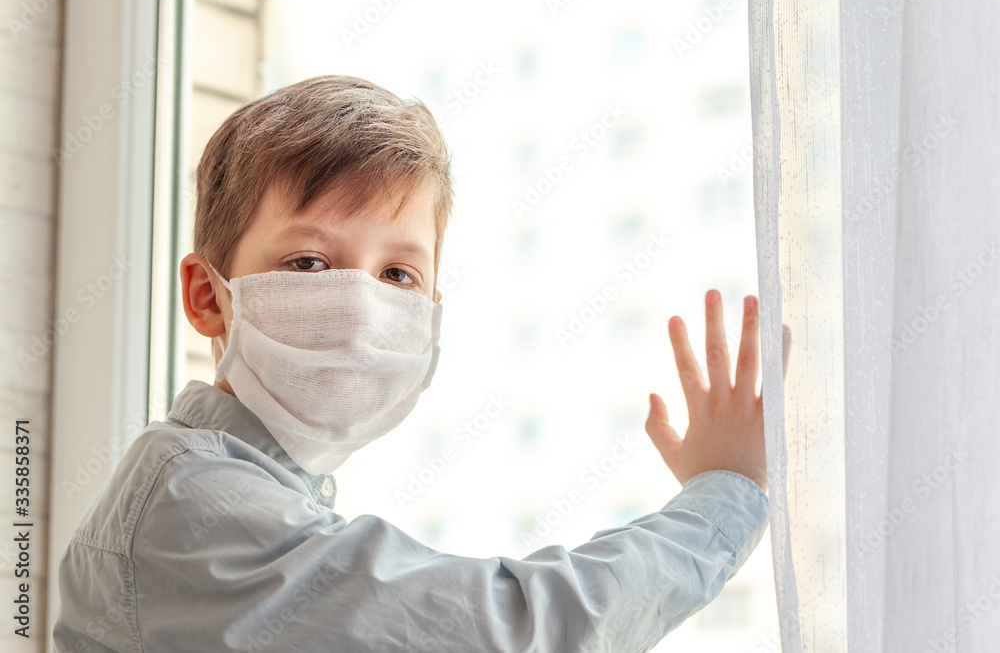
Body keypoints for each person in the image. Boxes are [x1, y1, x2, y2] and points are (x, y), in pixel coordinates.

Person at [53, 75, 791, 652]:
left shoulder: (272, 501)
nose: (360, 306)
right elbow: (511, 632)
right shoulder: (192, 501)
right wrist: (723, 493)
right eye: (308, 262)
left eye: (397, 274)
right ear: (207, 297)